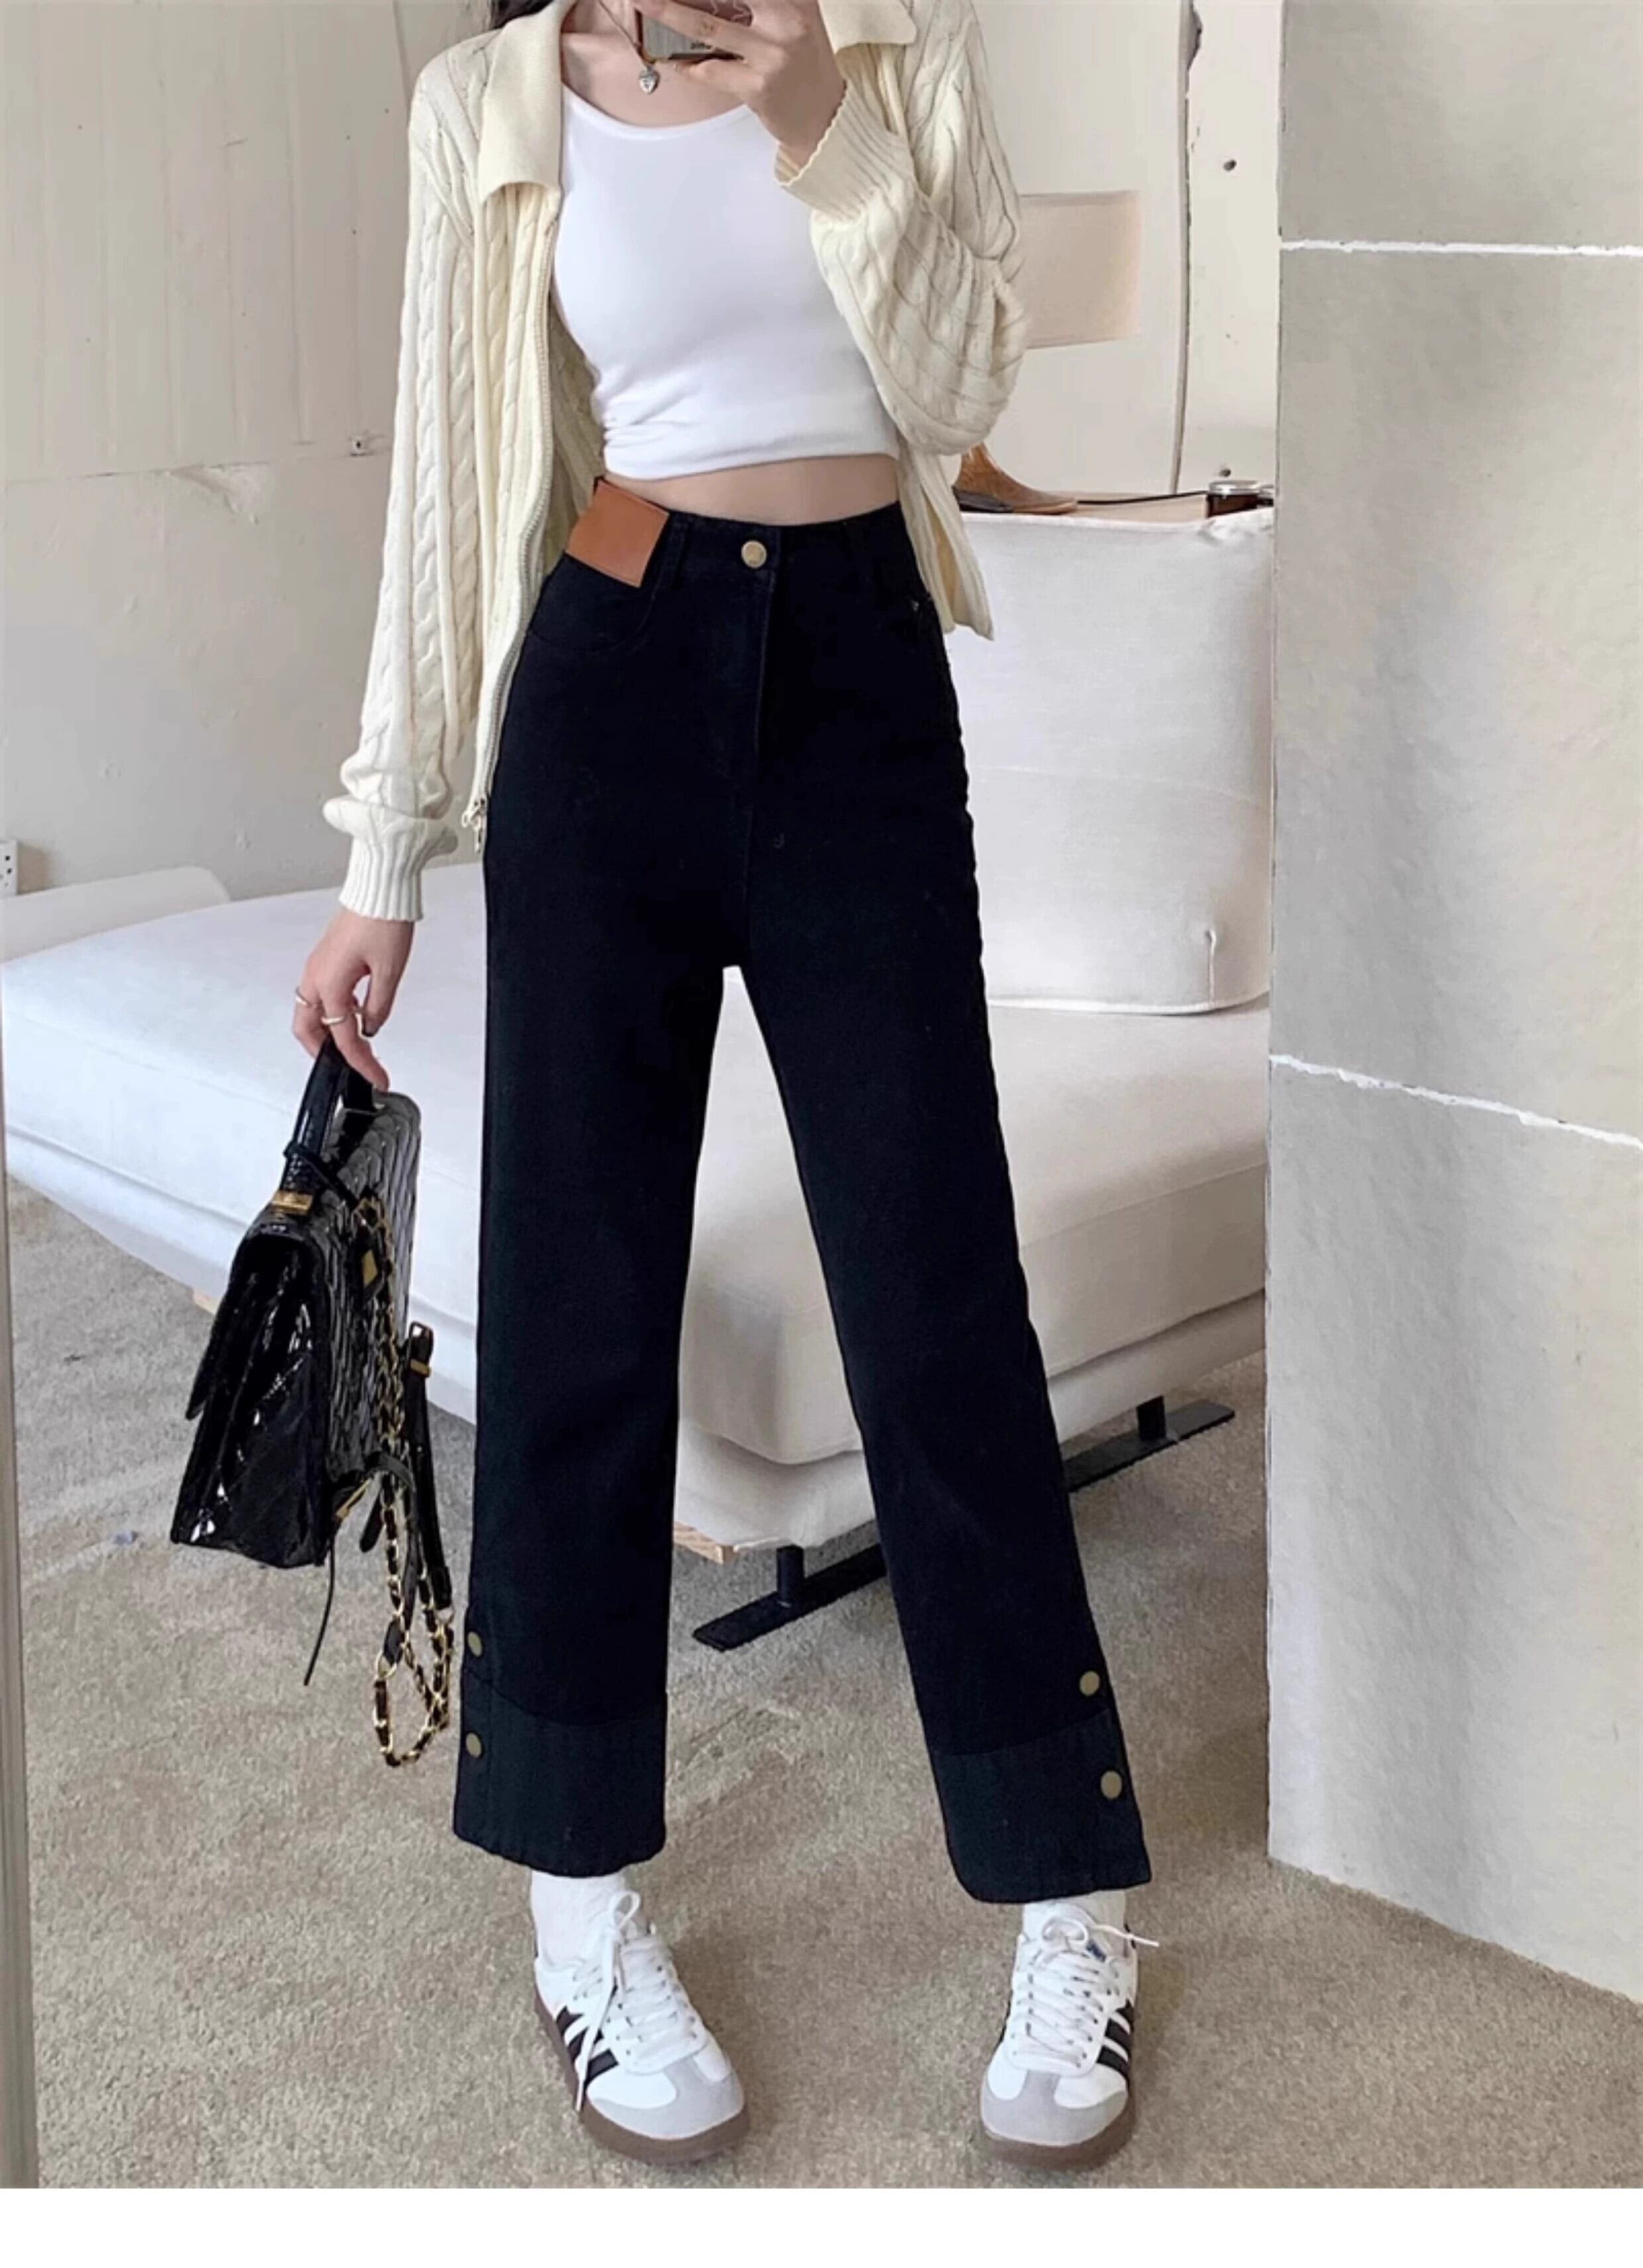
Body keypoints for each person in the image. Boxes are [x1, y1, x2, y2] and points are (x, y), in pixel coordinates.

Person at [294, 0, 1152, 2171]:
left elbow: (962, 388)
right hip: (612, 683)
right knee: (577, 1313)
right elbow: (447, 483)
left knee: (937, 1302)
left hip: (862, 691)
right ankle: (578, 1908)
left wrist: (817, 112)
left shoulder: (899, 46)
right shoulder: (488, 103)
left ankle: (1066, 1893)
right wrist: (384, 855)